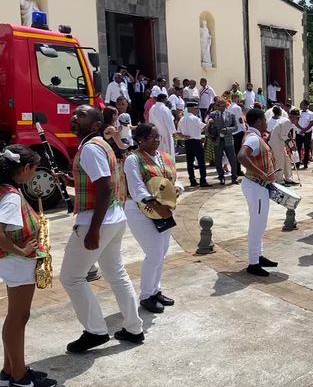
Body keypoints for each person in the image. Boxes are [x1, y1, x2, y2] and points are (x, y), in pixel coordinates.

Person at [58, 105, 144, 353]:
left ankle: (96, 331)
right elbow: (100, 182)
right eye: (75, 114)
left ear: (96, 124)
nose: (74, 117)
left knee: (71, 277)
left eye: (81, 115)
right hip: (115, 218)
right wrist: (71, 181)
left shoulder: (90, 148)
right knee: (115, 272)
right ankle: (133, 328)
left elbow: (105, 187)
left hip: (98, 221)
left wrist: (93, 230)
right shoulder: (100, 144)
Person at [0, 145, 58, 387]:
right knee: (19, 317)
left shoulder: (5, 189)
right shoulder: (12, 196)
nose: (34, 175)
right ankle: (20, 377)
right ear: (24, 169)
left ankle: (9, 370)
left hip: (11, 263)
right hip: (17, 262)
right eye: (33, 170)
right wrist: (22, 250)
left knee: (14, 316)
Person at [124, 124, 183, 314]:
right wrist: (157, 206)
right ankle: (146, 296)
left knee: (162, 251)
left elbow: (174, 179)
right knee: (154, 252)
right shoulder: (133, 160)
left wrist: (178, 189)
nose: (157, 140)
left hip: (164, 210)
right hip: (140, 210)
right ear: (140, 140)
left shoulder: (165, 157)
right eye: (152, 137)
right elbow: (136, 189)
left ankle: (155, 290)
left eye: (157, 137)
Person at [238, 109, 279, 277]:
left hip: (256, 186)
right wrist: (262, 174)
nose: (267, 122)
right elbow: (242, 156)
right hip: (256, 185)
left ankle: (258, 256)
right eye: (264, 119)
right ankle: (253, 263)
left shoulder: (253, 136)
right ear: (258, 122)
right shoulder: (254, 138)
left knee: (259, 223)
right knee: (257, 225)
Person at [178, 101, 210, 187]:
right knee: (201, 162)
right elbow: (204, 127)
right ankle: (203, 180)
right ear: (191, 108)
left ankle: (192, 180)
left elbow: (178, 133)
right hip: (196, 141)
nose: (197, 110)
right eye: (196, 108)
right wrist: (209, 123)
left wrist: (184, 137)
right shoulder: (195, 118)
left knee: (189, 162)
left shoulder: (182, 119)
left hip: (187, 142)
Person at [207, 98, 239, 185]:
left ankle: (234, 177)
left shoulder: (231, 115)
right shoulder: (213, 114)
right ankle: (221, 177)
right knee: (218, 160)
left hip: (228, 140)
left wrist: (227, 129)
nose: (216, 107)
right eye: (216, 105)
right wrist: (209, 124)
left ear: (224, 106)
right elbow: (208, 128)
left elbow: (236, 127)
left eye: (219, 105)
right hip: (217, 140)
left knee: (232, 159)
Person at [267, 106, 297, 184]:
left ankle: (288, 178)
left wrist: (292, 142)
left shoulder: (288, 122)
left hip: (280, 142)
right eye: (296, 117)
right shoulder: (287, 122)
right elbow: (283, 136)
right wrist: (291, 146)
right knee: (280, 161)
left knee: (287, 159)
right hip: (276, 143)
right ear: (291, 117)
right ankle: (279, 180)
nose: (297, 119)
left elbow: (287, 134)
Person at [148, 93, 177, 161]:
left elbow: (150, 122)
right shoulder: (164, 109)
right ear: (163, 99)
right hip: (166, 134)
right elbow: (169, 122)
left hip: (155, 134)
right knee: (167, 153)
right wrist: (173, 132)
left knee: (157, 152)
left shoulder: (152, 108)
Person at [296, 100, 313, 169]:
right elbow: (295, 121)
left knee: (307, 148)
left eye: (302, 104)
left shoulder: (311, 113)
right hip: (299, 133)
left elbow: (311, 123)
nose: (301, 105)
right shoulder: (298, 112)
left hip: (307, 133)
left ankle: (305, 163)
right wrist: (301, 129)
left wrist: (304, 130)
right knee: (298, 148)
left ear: (306, 105)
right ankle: (297, 163)